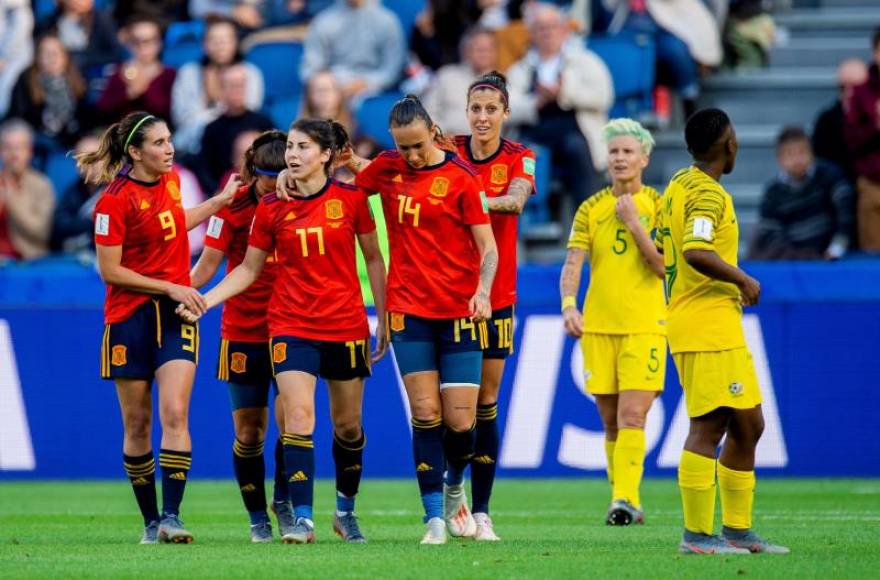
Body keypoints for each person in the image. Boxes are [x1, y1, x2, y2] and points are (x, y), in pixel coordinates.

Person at [179, 119, 387, 545]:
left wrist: (383, 317)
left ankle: (345, 512)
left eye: (303, 147)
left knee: (348, 427)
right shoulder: (270, 210)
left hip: (345, 324)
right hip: (290, 326)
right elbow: (249, 270)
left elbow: (374, 259)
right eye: (291, 146)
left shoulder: (351, 199)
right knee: (298, 418)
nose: (293, 154)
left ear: (327, 155)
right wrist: (206, 301)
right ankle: (301, 519)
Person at [77, 111, 236, 544]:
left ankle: (171, 516)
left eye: (169, 140)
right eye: (159, 143)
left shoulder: (170, 183)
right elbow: (110, 271)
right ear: (135, 151)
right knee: (137, 425)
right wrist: (169, 285)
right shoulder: (113, 202)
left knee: (176, 413)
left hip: (173, 315)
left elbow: (171, 224)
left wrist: (218, 203)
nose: (169, 148)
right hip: (129, 318)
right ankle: (150, 520)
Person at [344, 95, 497, 544]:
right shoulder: (388, 168)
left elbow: (487, 249)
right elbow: (348, 182)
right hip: (408, 309)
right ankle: (433, 518)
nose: (410, 156)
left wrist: (482, 291)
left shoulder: (462, 179)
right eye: (402, 147)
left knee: (462, 422)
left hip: (460, 311)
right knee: (426, 413)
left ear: (433, 132)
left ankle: (454, 488)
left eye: (416, 146)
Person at [655, 108, 788, 555]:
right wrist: (742, 278)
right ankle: (696, 536)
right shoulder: (708, 195)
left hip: (713, 323)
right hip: (705, 323)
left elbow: (661, 245)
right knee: (709, 425)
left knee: (749, 423)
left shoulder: (676, 185)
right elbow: (694, 250)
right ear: (728, 145)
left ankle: (738, 530)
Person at [189, 130, 293, 543]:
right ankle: (257, 517)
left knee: (294, 424)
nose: (275, 183)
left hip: (292, 327)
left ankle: (284, 503)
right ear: (253, 172)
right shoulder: (230, 208)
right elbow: (206, 267)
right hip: (243, 329)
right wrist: (182, 295)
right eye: (268, 176)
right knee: (250, 432)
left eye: (281, 174)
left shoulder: (304, 200)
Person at [560, 118, 665, 526]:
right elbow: (573, 263)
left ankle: (624, 499)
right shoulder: (590, 207)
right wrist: (570, 304)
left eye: (627, 152)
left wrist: (634, 224)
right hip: (599, 327)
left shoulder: (658, 205)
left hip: (645, 325)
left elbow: (661, 267)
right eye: (614, 152)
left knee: (633, 416)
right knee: (609, 421)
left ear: (644, 158)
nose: (620, 158)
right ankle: (625, 499)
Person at [452, 71, 535, 541]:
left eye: (490, 110)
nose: (482, 117)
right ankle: (451, 493)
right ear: (467, 111)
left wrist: (467, 199)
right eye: (475, 109)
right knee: (449, 410)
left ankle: (481, 510)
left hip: (496, 297)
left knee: (485, 403)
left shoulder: (522, 158)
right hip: (446, 296)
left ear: (505, 113)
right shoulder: (447, 151)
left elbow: (517, 201)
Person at [506, 2, 614, 206]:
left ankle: (587, 220)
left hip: (575, 129)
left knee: (577, 149)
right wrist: (536, 102)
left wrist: (564, 93)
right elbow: (504, 108)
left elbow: (603, 96)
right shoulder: (520, 68)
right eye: (540, 28)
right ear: (532, 33)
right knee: (523, 154)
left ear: (564, 30)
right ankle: (527, 225)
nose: (547, 33)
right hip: (534, 130)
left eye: (552, 26)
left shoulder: (585, 61)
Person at [749, 127, 854, 260]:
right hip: (792, 260)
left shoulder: (830, 177)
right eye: (790, 154)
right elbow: (771, 233)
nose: (797, 160)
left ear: (812, 153)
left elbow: (846, 214)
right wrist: (798, 257)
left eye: (802, 152)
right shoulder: (773, 192)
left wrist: (837, 246)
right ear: (779, 159)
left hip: (831, 255)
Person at [171, 14, 265, 155]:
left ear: (235, 42)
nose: (220, 46)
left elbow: (248, 113)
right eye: (214, 40)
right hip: (192, 146)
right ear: (204, 44)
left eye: (225, 40)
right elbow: (181, 118)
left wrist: (209, 116)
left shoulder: (250, 73)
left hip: (235, 146)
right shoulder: (188, 72)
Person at [300, 0, 407, 102]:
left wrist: (367, 83)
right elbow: (309, 69)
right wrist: (332, 85)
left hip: (374, 92)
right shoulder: (323, 22)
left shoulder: (387, 21)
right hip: (333, 91)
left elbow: (393, 69)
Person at [6, 33, 92, 151]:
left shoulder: (78, 80)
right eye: (46, 53)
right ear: (38, 58)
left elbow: (86, 118)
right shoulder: (26, 80)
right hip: (38, 141)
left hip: (74, 139)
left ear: (65, 57)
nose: (52, 57)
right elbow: (18, 116)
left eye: (57, 52)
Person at [198, 64, 273, 194]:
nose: (238, 90)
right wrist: (218, 194)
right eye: (232, 86)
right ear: (221, 90)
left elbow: (276, 159)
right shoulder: (212, 129)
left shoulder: (263, 122)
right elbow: (204, 171)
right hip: (226, 194)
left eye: (241, 85)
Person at [96, 17, 176, 124]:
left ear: (159, 43)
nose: (142, 47)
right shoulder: (119, 72)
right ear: (129, 45)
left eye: (147, 41)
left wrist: (143, 89)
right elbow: (102, 109)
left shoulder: (169, 75)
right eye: (135, 41)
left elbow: (168, 111)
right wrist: (128, 93)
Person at [423, 27, 499, 137]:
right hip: (447, 144)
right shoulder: (446, 75)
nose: (484, 54)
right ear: (466, 51)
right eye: (479, 49)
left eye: (488, 49)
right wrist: (442, 132)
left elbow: (519, 109)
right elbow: (427, 112)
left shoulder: (505, 82)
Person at [843, 28, 880, 252]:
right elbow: (851, 139)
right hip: (873, 183)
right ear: (874, 53)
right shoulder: (860, 92)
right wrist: (875, 124)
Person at [0, 119, 56, 261]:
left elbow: (42, 232)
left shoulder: (41, 185)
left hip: (29, 262)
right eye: (7, 147)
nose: (13, 154)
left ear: (29, 151)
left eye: (19, 147)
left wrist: (11, 198)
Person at [812, 59, 868, 181]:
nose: (849, 92)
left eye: (856, 87)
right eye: (842, 87)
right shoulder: (826, 121)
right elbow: (821, 164)